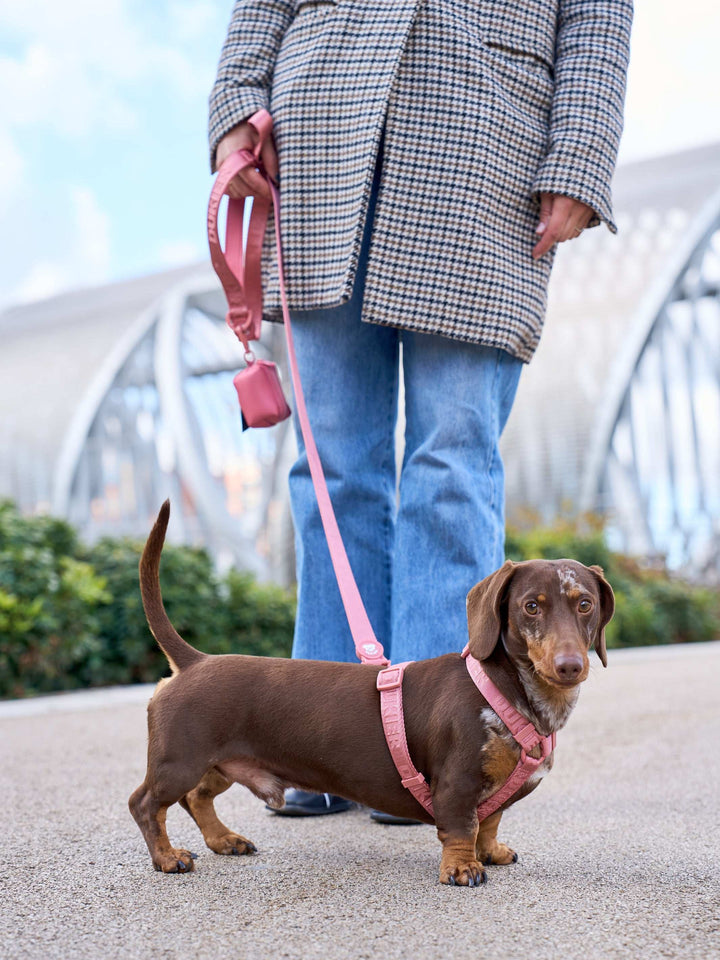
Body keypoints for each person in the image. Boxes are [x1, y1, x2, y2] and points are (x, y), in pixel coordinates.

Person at [208, 0, 632, 818]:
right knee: (331, 471)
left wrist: (579, 154)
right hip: (318, 136)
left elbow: (597, 14)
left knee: (452, 461)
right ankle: (316, 750)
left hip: (486, 141)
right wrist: (235, 112)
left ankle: (439, 754)